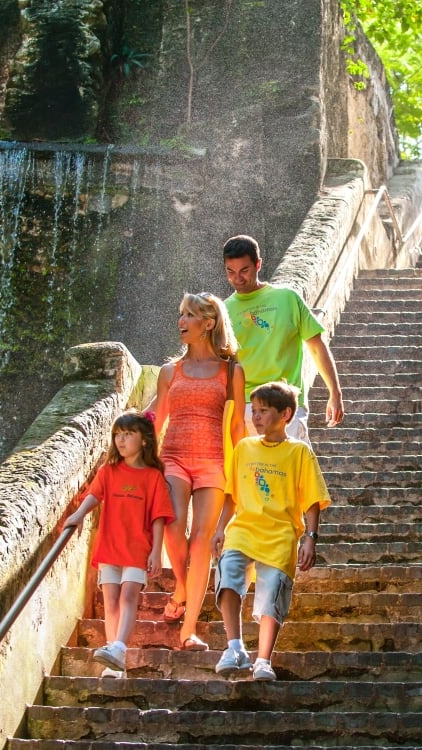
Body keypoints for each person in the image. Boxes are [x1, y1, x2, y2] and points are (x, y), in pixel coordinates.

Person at [210, 381, 331, 681]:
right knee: (227, 572)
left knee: (272, 594)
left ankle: (263, 660)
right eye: (254, 410)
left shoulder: (300, 453)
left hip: (281, 535)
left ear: (286, 414)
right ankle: (235, 647)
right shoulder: (244, 448)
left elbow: (313, 501)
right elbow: (231, 495)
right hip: (244, 529)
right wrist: (219, 529)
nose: (257, 416)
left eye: (264, 411)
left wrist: (310, 538)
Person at [149, 292, 246, 652]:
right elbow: (157, 419)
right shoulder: (169, 371)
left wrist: (244, 469)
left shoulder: (231, 371)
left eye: (189, 315)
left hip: (213, 462)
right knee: (174, 526)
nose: (181, 321)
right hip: (172, 456)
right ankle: (180, 586)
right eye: (180, 314)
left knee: (201, 540)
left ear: (209, 324)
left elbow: (238, 428)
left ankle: (188, 629)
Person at [62, 410, 174, 678]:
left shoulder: (153, 476)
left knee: (128, 596)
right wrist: (78, 515)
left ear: (144, 439)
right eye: (117, 435)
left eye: (128, 434)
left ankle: (119, 647)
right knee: (110, 600)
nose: (121, 440)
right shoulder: (109, 471)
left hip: (138, 548)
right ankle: (114, 658)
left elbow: (159, 517)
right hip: (109, 546)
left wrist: (157, 552)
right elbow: (94, 496)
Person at [222, 234, 344, 443]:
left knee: (292, 472)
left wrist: (335, 392)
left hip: (285, 405)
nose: (237, 278)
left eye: (244, 270)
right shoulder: (223, 310)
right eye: (230, 272)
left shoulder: (287, 298)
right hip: (244, 407)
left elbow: (316, 347)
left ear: (258, 264)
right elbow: (221, 362)